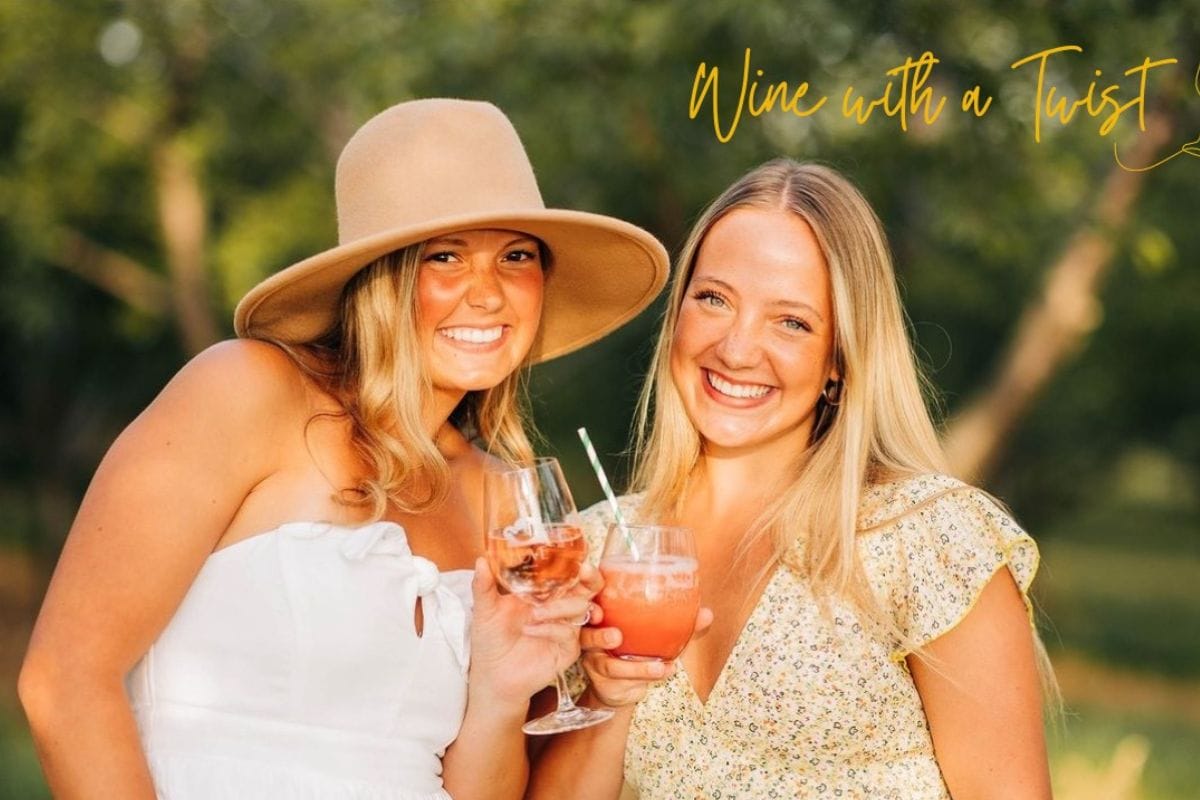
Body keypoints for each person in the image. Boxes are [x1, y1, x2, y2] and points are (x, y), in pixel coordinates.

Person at [18, 98, 668, 799]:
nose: (488, 295)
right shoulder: (245, 392)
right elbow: (63, 683)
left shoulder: (499, 500)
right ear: (383, 277)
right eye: (445, 257)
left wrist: (500, 698)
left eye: (516, 257)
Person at [528, 159, 1054, 799]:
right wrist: (608, 699)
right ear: (679, 314)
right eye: (714, 299)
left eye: (792, 321)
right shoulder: (600, 548)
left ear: (839, 359)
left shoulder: (925, 537)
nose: (738, 349)